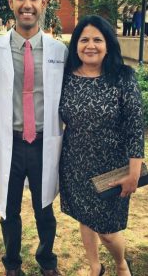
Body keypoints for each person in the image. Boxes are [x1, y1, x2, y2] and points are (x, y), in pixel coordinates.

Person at [0, 0, 67, 275]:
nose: (27, 4)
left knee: (44, 209)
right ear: (11, 2)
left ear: (43, 2)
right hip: (11, 143)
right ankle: (12, 264)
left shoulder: (60, 52)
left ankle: (47, 260)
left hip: (45, 142)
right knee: (9, 210)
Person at [59, 15, 144, 276]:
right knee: (85, 218)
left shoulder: (122, 78)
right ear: (76, 45)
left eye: (98, 39)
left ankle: (121, 264)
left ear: (108, 44)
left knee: (107, 231)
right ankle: (95, 267)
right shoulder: (66, 77)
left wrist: (134, 172)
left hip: (111, 168)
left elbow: (135, 127)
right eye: (84, 39)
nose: (90, 45)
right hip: (75, 164)